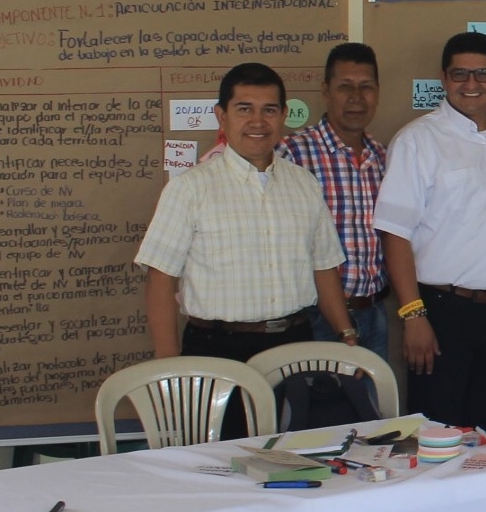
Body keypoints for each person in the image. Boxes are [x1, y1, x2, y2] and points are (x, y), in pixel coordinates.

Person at [134, 63, 354, 435]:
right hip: (216, 348)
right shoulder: (190, 189)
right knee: (221, 468)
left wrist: (346, 335)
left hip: (294, 344)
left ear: (283, 115)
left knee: (294, 459)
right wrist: (169, 368)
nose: (258, 121)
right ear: (222, 115)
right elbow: (160, 280)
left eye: (269, 110)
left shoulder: (304, 185)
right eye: (244, 108)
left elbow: (324, 268)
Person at [374, 31, 486, 437]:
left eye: (482, 74)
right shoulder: (417, 140)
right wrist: (413, 315)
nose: (471, 84)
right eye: (459, 74)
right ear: (444, 79)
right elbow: (395, 233)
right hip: (444, 312)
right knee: (437, 433)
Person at [280, 42, 391, 359]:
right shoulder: (293, 153)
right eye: (345, 87)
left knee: (373, 405)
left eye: (366, 87)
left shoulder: (383, 157)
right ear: (326, 91)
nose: (357, 98)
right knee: (318, 408)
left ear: (378, 92)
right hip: (315, 316)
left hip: (374, 312)